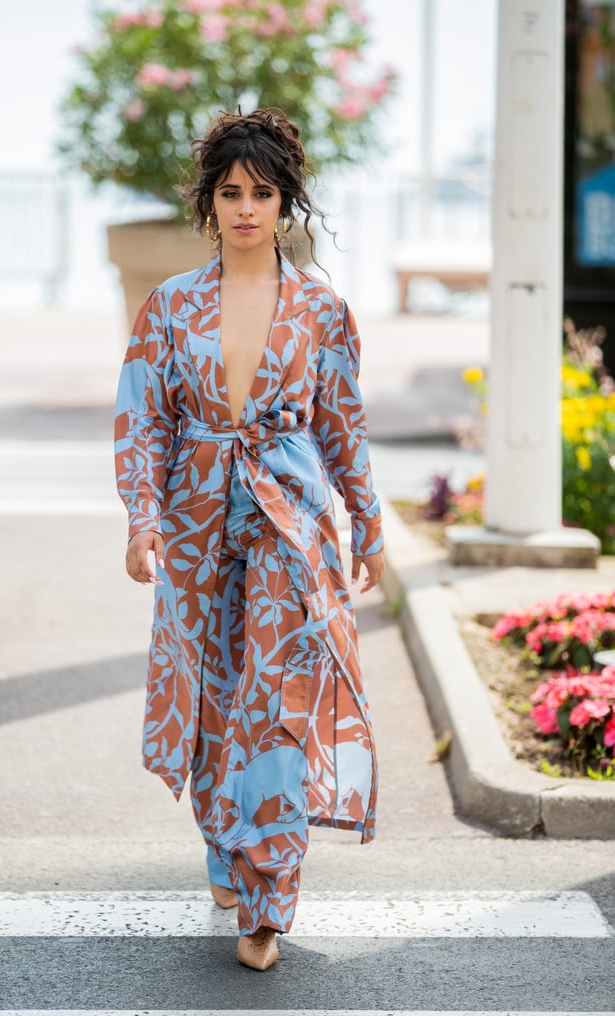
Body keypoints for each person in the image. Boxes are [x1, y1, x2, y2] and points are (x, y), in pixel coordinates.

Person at [114, 108, 385, 971]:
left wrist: (369, 524)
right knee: (210, 697)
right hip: (195, 521)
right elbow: (142, 418)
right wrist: (142, 519)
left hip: (288, 521)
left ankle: (267, 898)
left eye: (262, 193)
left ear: (285, 203)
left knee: (276, 699)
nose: (245, 208)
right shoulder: (169, 307)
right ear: (209, 202)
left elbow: (343, 424)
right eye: (231, 192)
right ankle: (226, 843)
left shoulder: (320, 309)